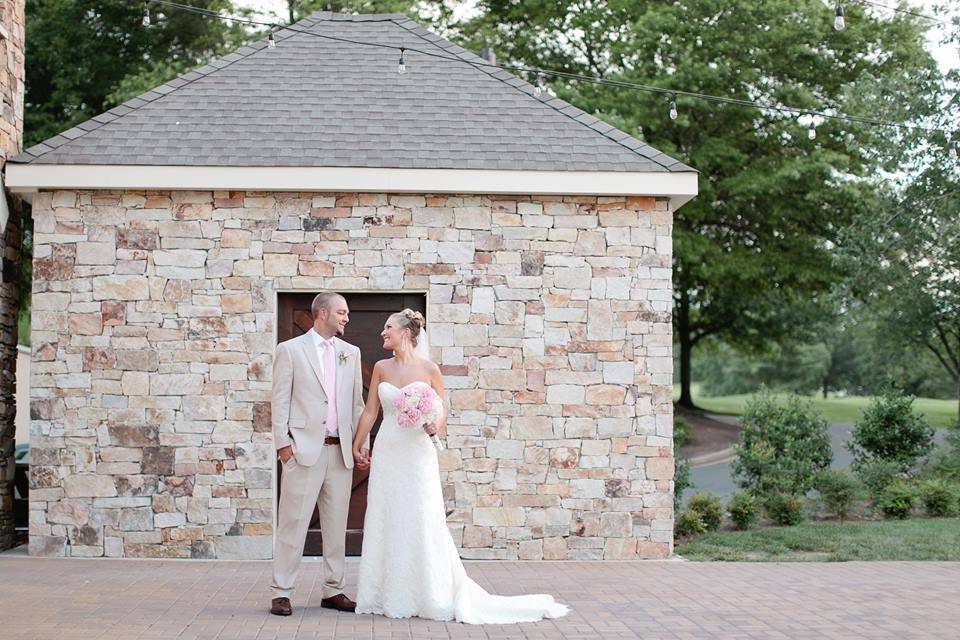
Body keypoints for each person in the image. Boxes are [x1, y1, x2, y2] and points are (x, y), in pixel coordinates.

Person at [352, 309, 570, 624]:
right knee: (386, 514)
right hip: (389, 449)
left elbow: (440, 409)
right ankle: (384, 592)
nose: (382, 333)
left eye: (387, 327)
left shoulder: (429, 369)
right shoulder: (381, 368)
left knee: (421, 516)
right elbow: (371, 411)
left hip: (417, 453)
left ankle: (429, 592)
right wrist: (360, 443)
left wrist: (433, 426)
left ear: (405, 333)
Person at [269, 292, 368, 616]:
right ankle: (282, 591)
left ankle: (333, 590)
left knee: (336, 526)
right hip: (303, 451)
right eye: (342, 312)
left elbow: (356, 404)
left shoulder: (349, 353)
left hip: (339, 453)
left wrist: (360, 447)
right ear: (321, 313)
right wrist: (284, 447)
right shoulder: (290, 350)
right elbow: (279, 401)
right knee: (293, 525)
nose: (347, 318)